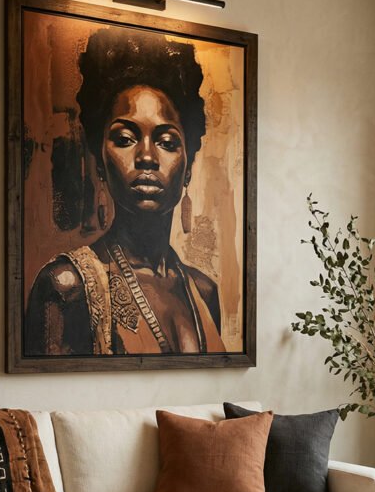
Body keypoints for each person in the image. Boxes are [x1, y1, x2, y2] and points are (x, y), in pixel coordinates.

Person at [25, 27, 225, 355]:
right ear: (101, 162)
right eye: (125, 139)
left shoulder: (204, 291)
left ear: (187, 166)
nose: (146, 157)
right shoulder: (66, 286)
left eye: (167, 142)